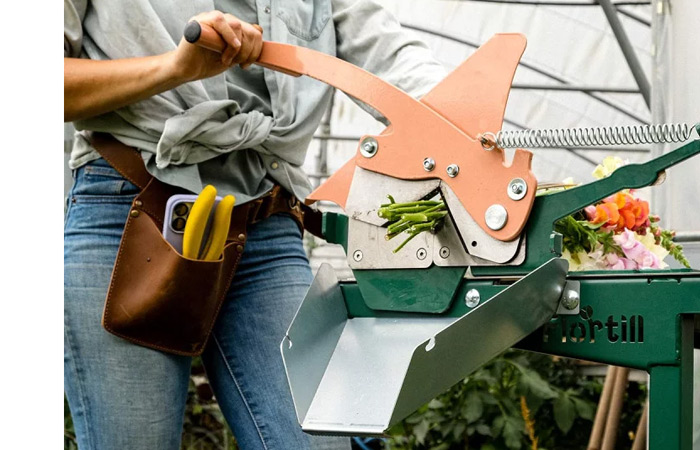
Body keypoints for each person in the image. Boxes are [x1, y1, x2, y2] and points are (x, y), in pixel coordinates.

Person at [63, 1, 446, 448]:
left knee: (316, 439)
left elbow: (390, 55)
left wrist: (470, 131)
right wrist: (174, 68)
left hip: (263, 226)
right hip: (131, 216)